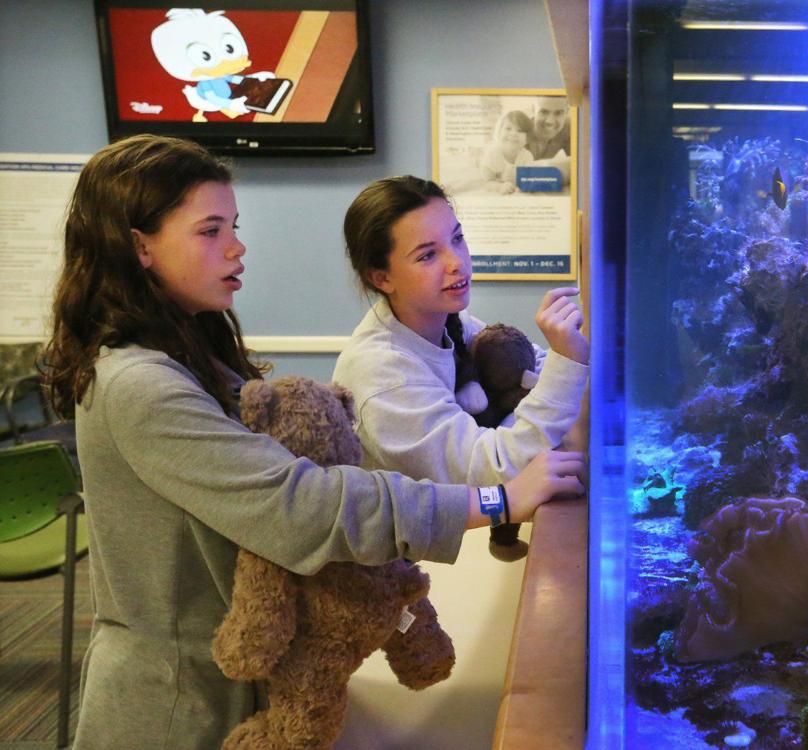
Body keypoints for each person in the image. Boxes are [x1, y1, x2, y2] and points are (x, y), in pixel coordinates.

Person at [40, 135, 583, 749]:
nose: (237, 247)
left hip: (236, 675)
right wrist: (496, 502)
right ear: (139, 245)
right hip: (180, 704)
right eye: (210, 230)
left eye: (234, 227)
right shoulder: (140, 384)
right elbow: (302, 506)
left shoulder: (192, 353)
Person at [331, 175, 588, 496]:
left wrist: (569, 356)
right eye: (427, 255)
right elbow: (489, 469)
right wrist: (567, 362)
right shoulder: (382, 372)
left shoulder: (450, 321)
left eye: (457, 238)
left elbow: (532, 369)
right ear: (381, 278)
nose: (457, 263)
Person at [475, 109, 535, 194]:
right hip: (485, 158)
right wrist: (500, 187)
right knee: (478, 159)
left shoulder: (527, 156)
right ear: (499, 132)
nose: (513, 133)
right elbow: (487, 182)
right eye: (508, 128)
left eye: (520, 130)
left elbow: (528, 179)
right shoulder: (492, 154)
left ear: (527, 139)